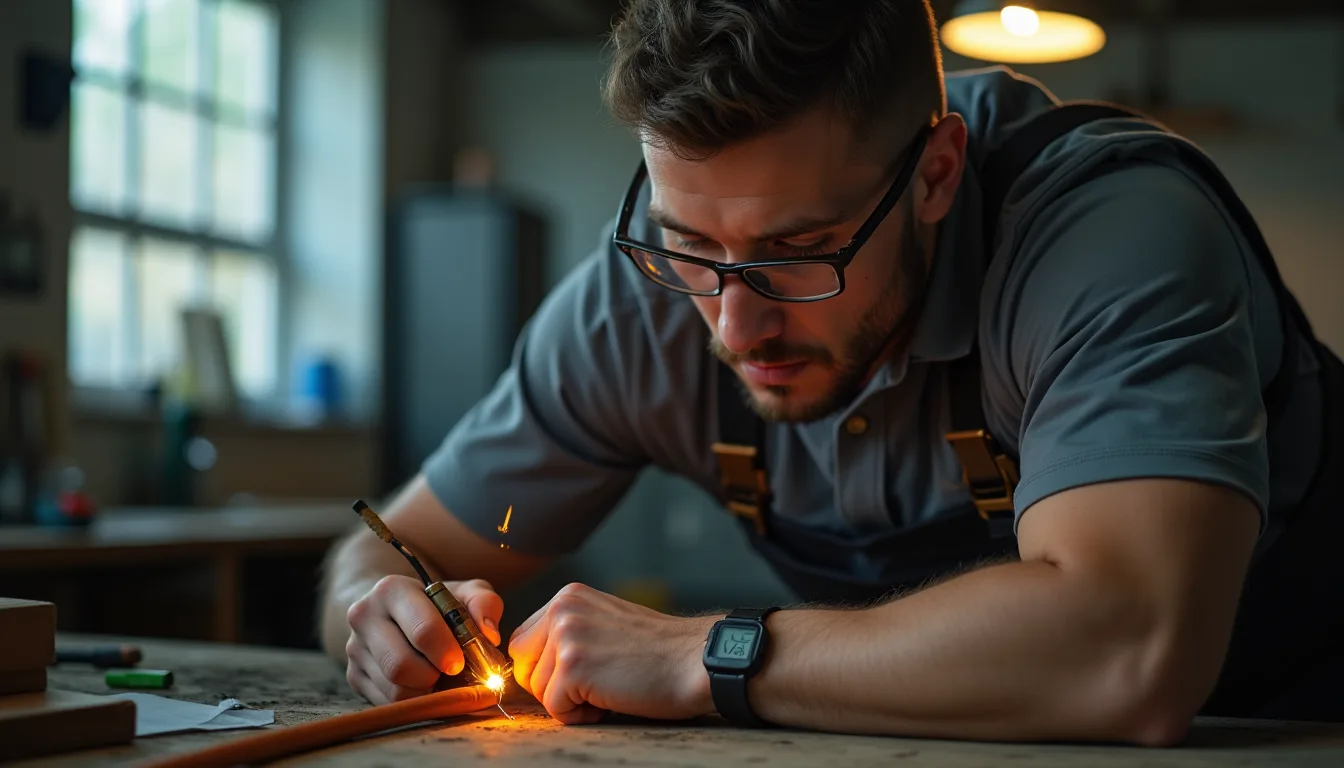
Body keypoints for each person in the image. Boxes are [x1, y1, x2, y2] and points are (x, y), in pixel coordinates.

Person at [320, 0, 1343, 746]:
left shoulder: (1111, 237)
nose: (735, 322)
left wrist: (698, 654)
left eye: (798, 251)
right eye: (691, 245)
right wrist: (381, 619)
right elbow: (383, 553)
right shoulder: (640, 299)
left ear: (937, 174)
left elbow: (1129, 652)